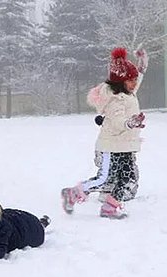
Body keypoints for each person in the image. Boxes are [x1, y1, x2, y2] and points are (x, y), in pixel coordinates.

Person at [61, 48, 147, 219]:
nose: (135, 83)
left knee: (127, 178)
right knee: (104, 179)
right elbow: (116, 123)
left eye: (135, 79)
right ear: (121, 82)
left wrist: (142, 64)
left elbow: (138, 77)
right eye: (131, 80)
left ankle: (110, 207)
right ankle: (72, 193)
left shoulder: (129, 92)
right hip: (111, 146)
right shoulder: (116, 100)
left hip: (126, 146)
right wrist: (131, 122)